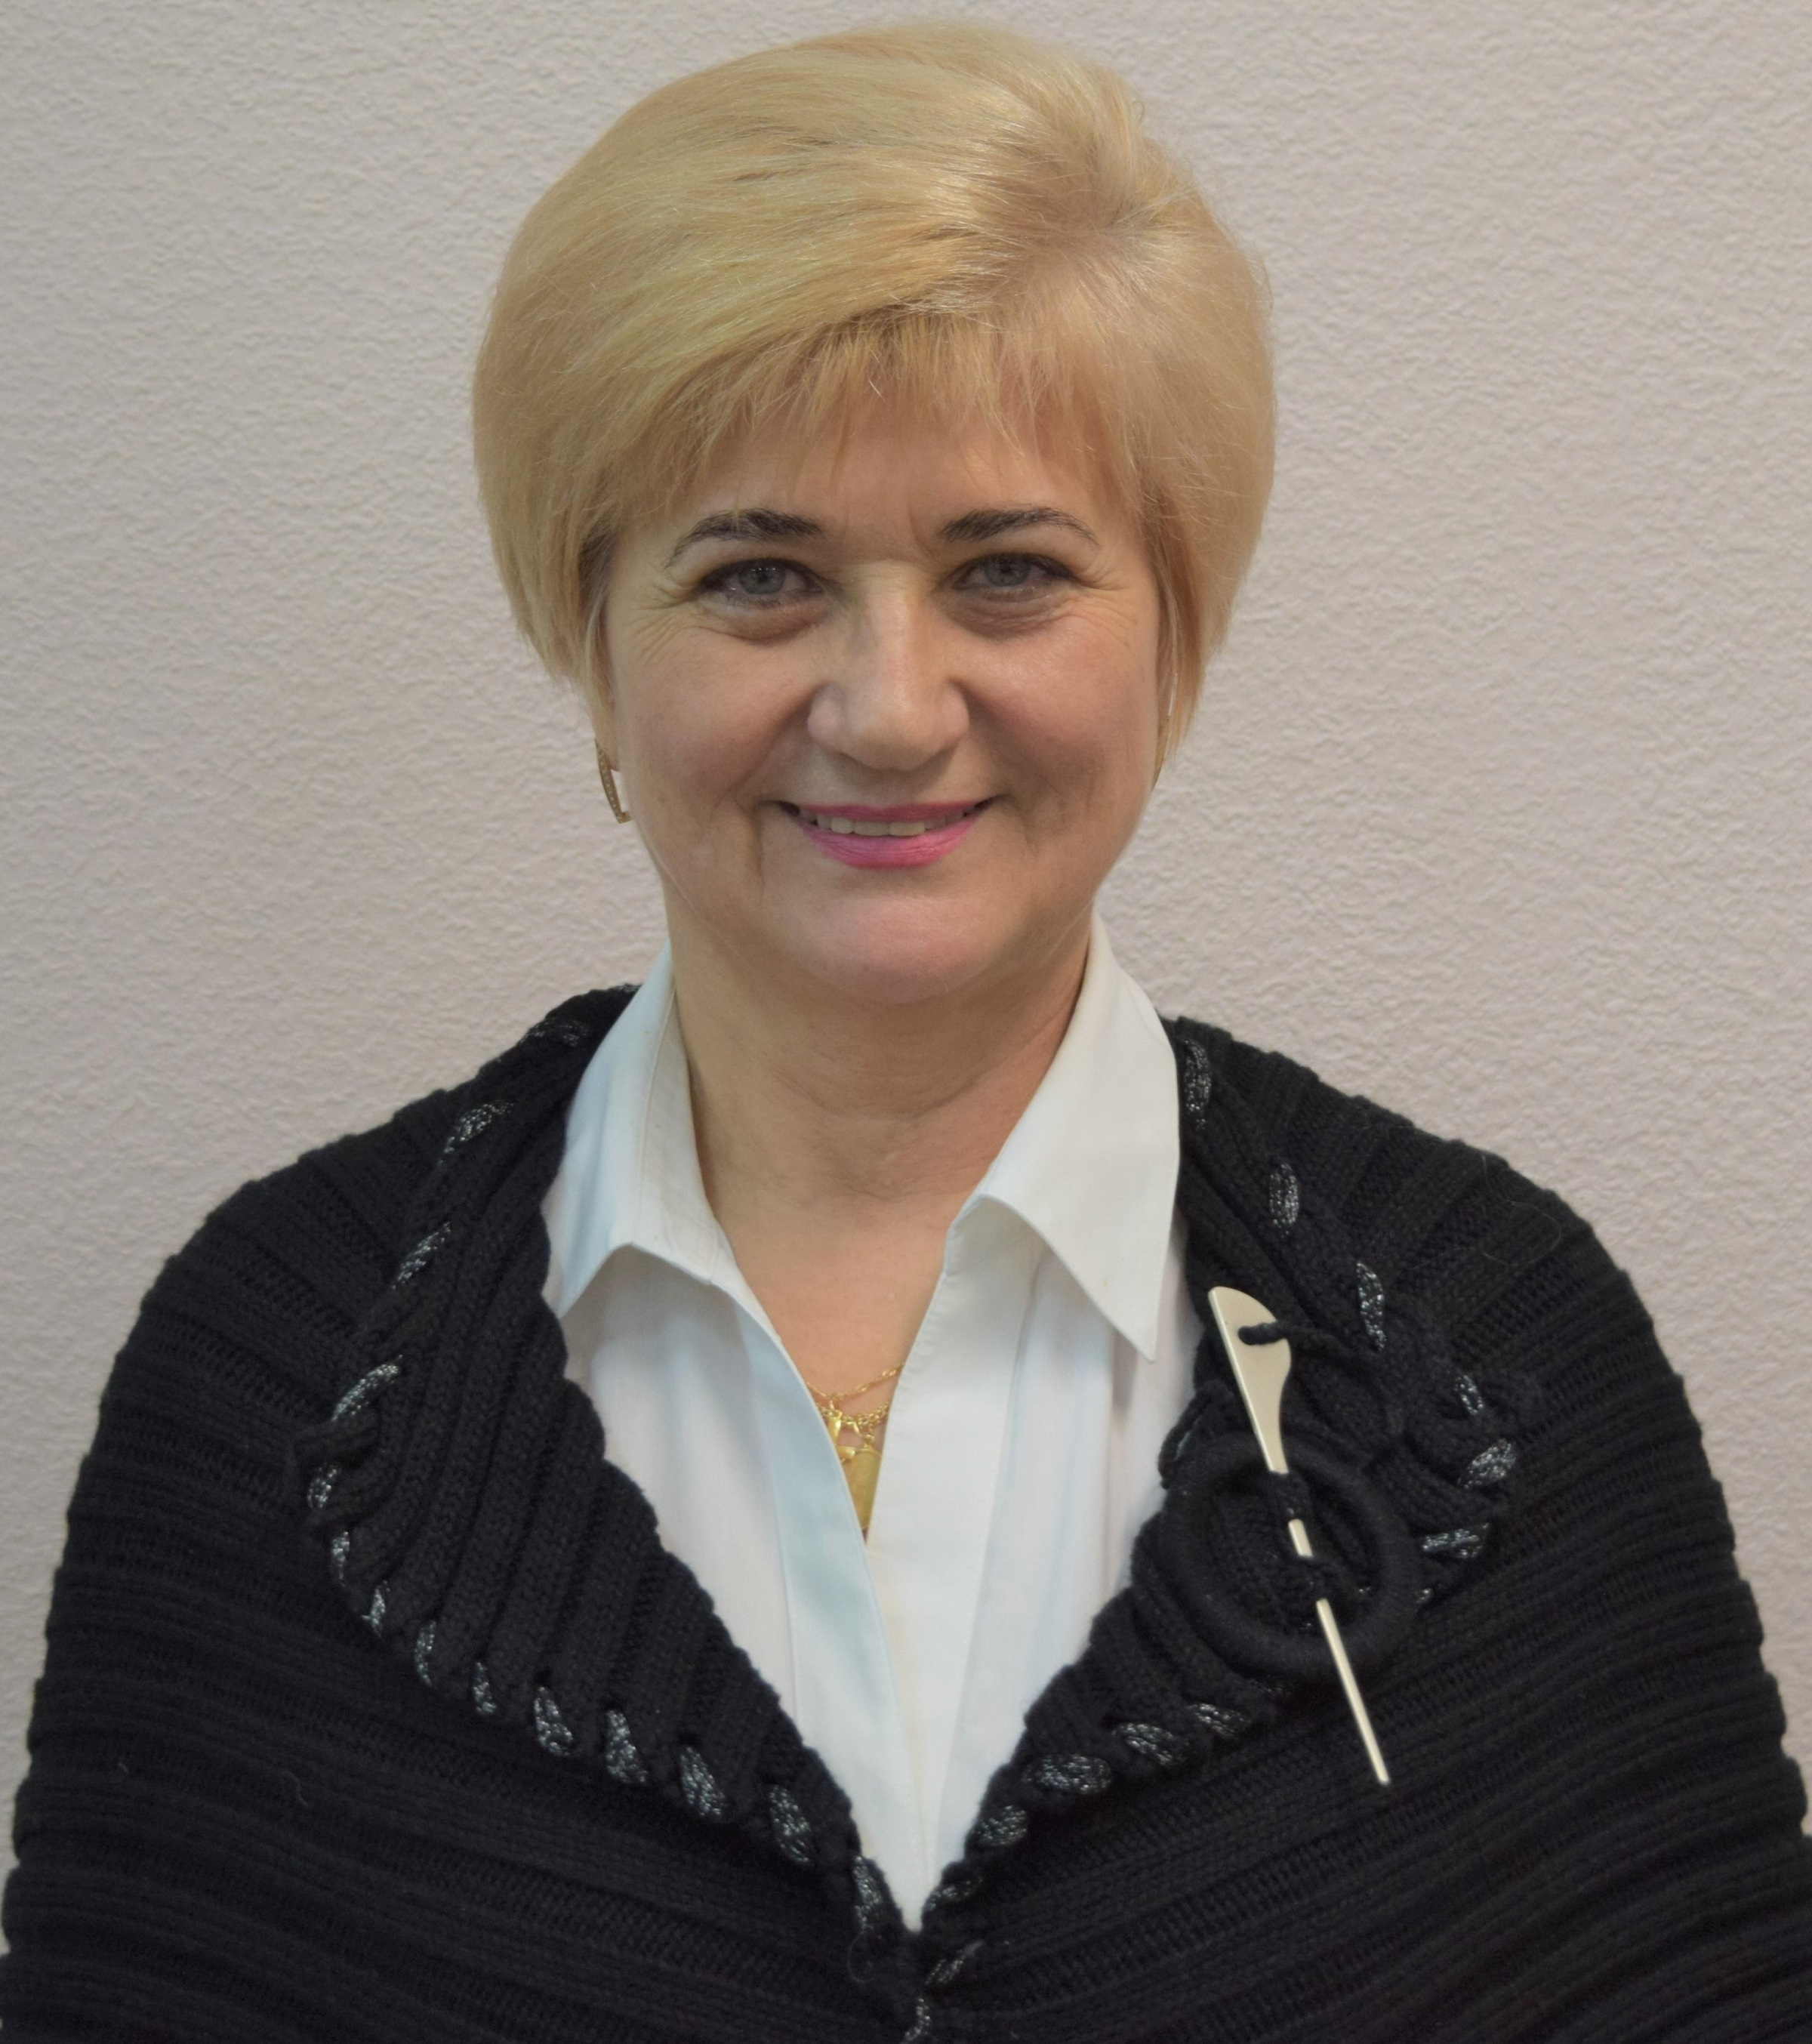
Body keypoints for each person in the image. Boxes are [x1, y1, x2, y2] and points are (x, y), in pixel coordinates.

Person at [2, 21, 1807, 2042]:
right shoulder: (281, 1366)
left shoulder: (1497, 1354)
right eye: (759, 576)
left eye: (1008, 571)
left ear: (1176, 635)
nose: (889, 706)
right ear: (592, 643)